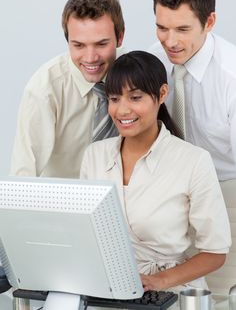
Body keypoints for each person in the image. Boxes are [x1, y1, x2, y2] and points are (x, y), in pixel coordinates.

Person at [80, 51, 231, 291]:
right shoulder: (94, 155)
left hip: (171, 291)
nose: (122, 110)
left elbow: (215, 252)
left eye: (135, 97)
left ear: (162, 94)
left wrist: (158, 281)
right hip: (110, 287)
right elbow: (86, 235)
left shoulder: (194, 161)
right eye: (115, 99)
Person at [10, 0, 125, 178]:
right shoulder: (45, 88)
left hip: (126, 198)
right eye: (78, 45)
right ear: (68, 41)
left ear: (119, 37)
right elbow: (24, 173)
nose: (90, 58)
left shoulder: (133, 72)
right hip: (64, 201)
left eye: (101, 44)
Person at [149, 0, 236, 189]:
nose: (170, 42)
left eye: (182, 29)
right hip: (167, 184)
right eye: (162, 28)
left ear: (209, 22)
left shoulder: (231, 76)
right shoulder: (154, 61)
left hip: (224, 186)